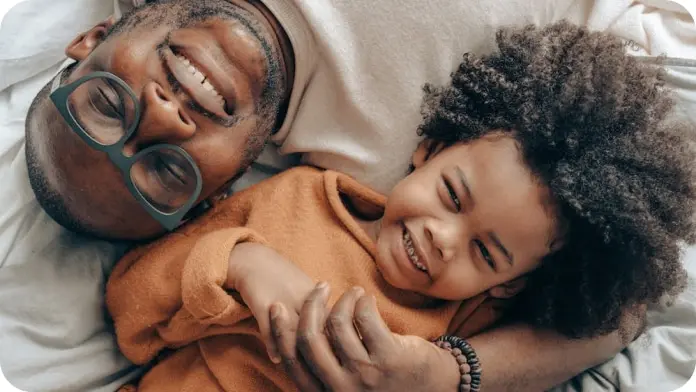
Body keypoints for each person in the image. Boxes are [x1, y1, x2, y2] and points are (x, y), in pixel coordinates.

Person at [15, 0, 696, 390]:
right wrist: (445, 377)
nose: (162, 117)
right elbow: (617, 311)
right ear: (211, 197)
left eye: (106, 103)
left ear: (97, 34)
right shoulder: (338, 179)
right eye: (168, 170)